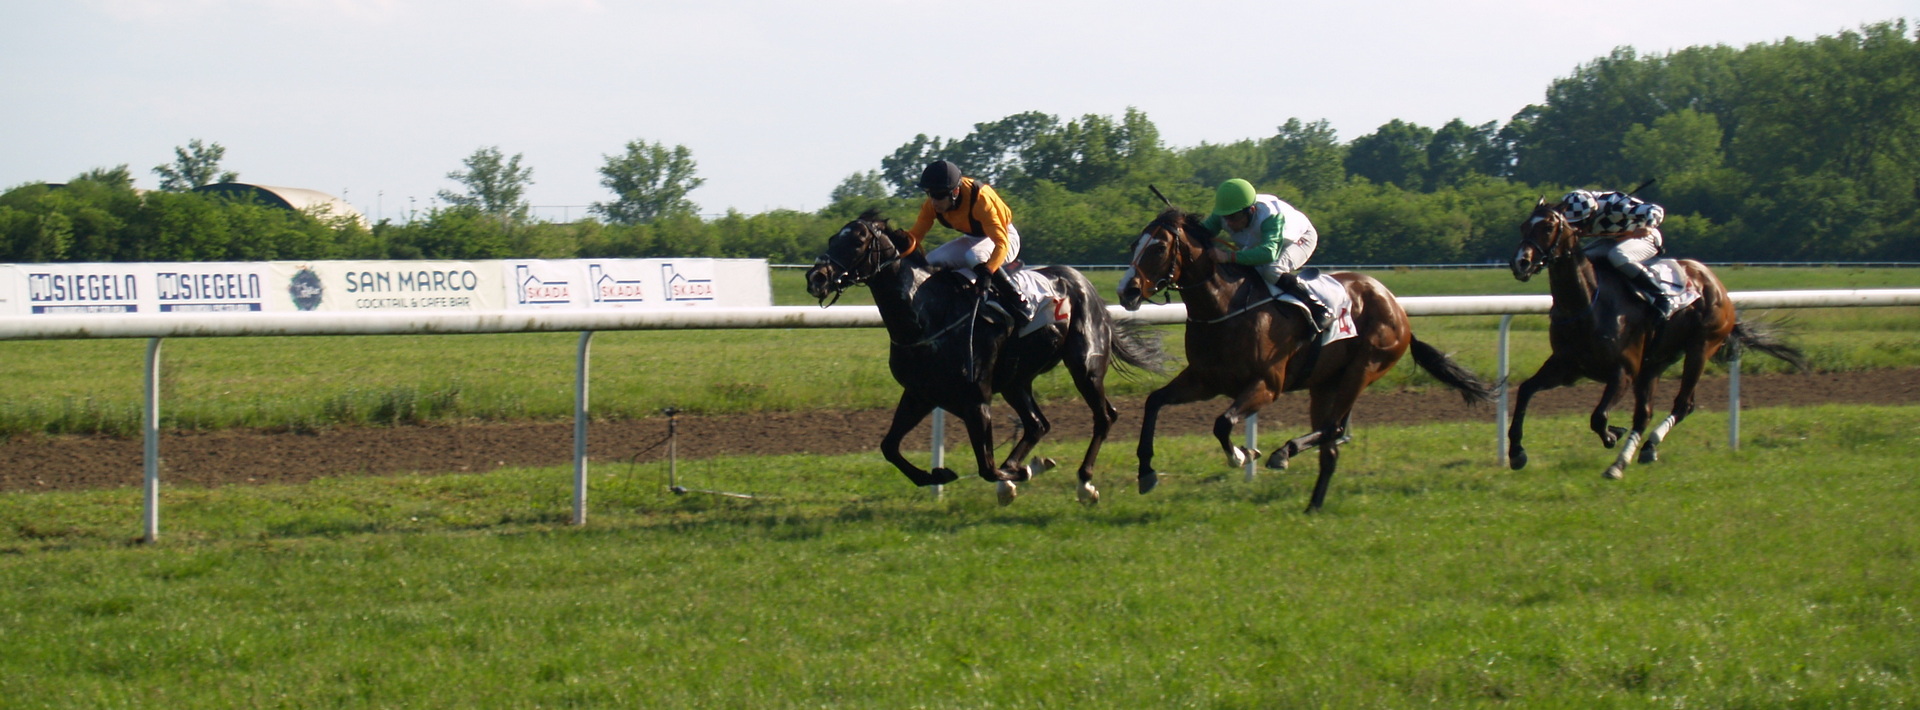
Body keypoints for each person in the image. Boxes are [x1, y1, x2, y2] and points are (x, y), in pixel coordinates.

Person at [904, 159, 1031, 328]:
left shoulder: (980, 200)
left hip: (1006, 237)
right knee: (931, 260)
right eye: (930, 194)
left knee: (974, 256)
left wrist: (988, 272)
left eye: (939, 195)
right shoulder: (932, 205)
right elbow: (914, 237)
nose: (934, 201)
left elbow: (1001, 243)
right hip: (974, 238)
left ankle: (1019, 301)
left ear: (955, 191)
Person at [1203, 178, 1331, 332]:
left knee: (1272, 270)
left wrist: (1228, 256)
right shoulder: (1225, 212)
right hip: (1264, 242)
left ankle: (1318, 307)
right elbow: (1200, 233)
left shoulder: (1270, 215)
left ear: (1251, 210)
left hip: (1300, 238)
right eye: (1226, 217)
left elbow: (1268, 253)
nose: (1228, 223)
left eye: (1234, 218)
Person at [1556, 188, 1675, 318]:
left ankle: (1662, 297)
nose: (1578, 228)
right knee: (1580, 259)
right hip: (1612, 241)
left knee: (1618, 256)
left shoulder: (1615, 203)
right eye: (1573, 224)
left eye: (1580, 223)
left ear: (1592, 212)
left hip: (1644, 237)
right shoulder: (1568, 210)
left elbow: (1655, 210)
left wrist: (1648, 226)